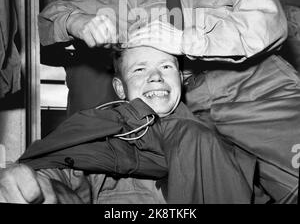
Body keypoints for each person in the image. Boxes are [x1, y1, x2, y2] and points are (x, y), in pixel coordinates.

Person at [37, 0, 300, 203]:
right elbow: (48, 22)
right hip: (186, 114)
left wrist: (184, 39)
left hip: (259, 97)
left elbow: (266, 24)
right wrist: (76, 22)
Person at [0, 45, 257, 204]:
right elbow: (63, 178)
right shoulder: (97, 136)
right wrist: (40, 186)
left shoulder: (219, 137)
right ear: (120, 88)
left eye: (166, 66)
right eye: (139, 70)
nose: (156, 77)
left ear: (180, 78)